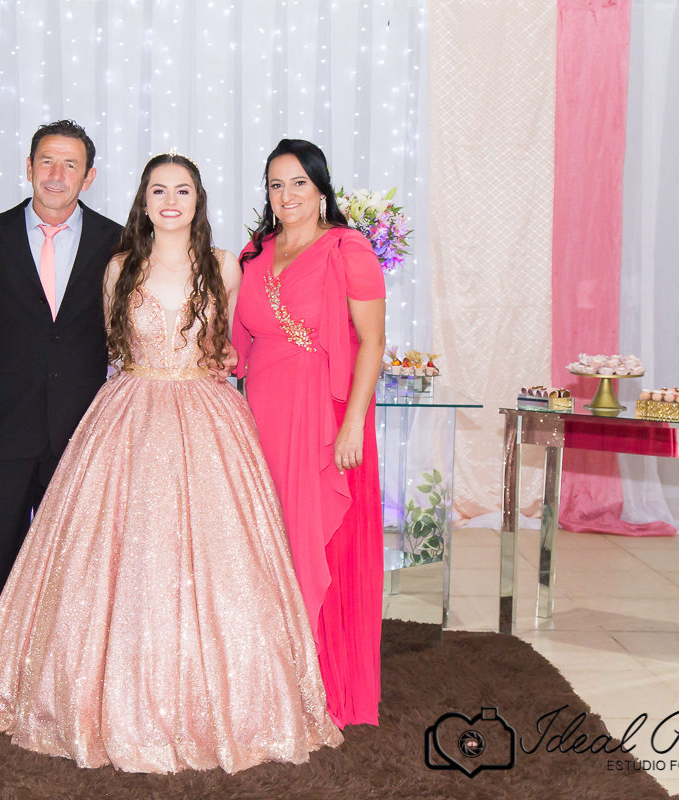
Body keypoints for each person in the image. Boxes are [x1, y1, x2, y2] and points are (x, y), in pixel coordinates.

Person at [0, 153, 342, 773]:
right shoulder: (118, 267)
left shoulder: (225, 266)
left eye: (182, 190)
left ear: (198, 199)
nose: (171, 201)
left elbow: (231, 344)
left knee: (220, 557)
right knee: (118, 553)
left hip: (208, 419)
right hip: (130, 413)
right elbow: (112, 341)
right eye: (159, 190)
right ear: (144, 200)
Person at [0, 120, 123, 669]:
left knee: (70, 555)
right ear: (28, 167)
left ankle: (58, 658)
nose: (56, 174)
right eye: (47, 161)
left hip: (80, 428)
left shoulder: (116, 242)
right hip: (1, 428)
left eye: (71, 165)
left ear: (88, 177)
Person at [232, 139, 388, 728]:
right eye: (276, 184)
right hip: (262, 414)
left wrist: (353, 426)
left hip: (326, 417)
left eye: (298, 182)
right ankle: (270, 679)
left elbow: (372, 342)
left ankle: (323, 686)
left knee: (319, 543)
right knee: (268, 539)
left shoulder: (348, 248)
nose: (287, 194)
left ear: (321, 188)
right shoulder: (254, 252)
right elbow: (235, 344)